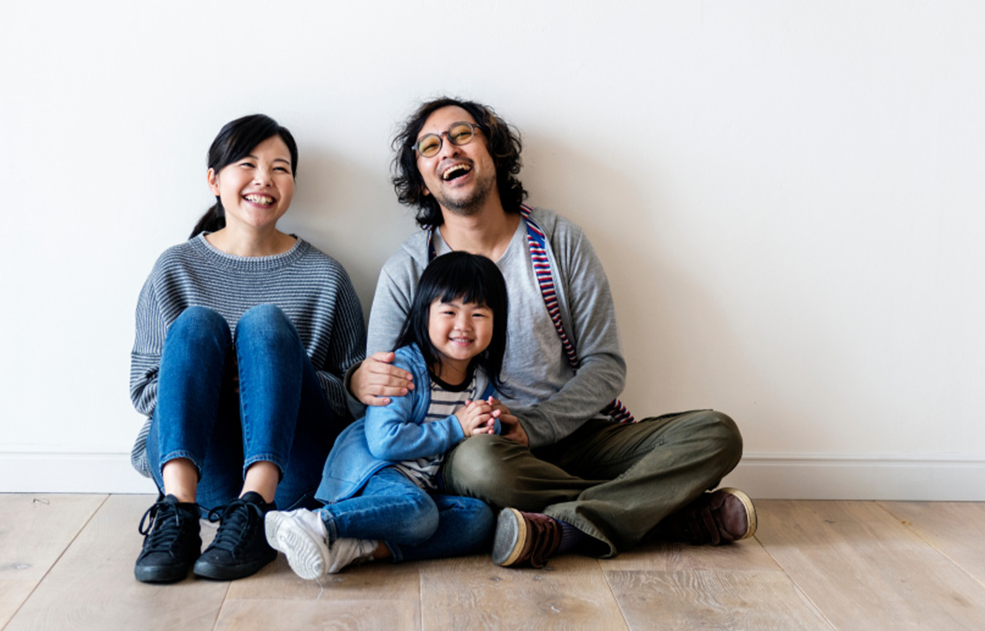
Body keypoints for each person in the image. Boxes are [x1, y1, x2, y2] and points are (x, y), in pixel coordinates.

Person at [347, 97, 755, 567]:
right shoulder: (409, 269)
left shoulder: (559, 242)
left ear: (493, 149)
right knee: (479, 466)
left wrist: (538, 426)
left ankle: (565, 528)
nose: (448, 152)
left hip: (582, 436)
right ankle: (666, 512)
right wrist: (359, 380)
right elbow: (381, 385)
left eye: (462, 135)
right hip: (486, 450)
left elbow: (606, 366)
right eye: (430, 146)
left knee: (716, 433)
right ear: (421, 182)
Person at [127, 114, 365, 583]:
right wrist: (217, 381)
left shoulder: (325, 275)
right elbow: (143, 390)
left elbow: (351, 396)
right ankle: (176, 514)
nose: (264, 179)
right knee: (196, 324)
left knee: (265, 324)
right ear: (214, 180)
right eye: (247, 164)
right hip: (200, 472)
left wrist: (273, 375)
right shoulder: (176, 267)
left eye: (280, 168)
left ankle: (255, 511)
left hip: (291, 477)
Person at [264, 252, 505, 579]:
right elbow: (384, 442)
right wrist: (456, 426)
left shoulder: (480, 379)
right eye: (449, 311)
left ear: (497, 322)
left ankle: (356, 548)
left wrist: (493, 424)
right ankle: (316, 521)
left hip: (418, 489)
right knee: (421, 514)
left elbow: (480, 430)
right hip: (375, 474)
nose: (463, 325)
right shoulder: (402, 369)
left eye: (478, 314)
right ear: (425, 315)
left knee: (479, 519)